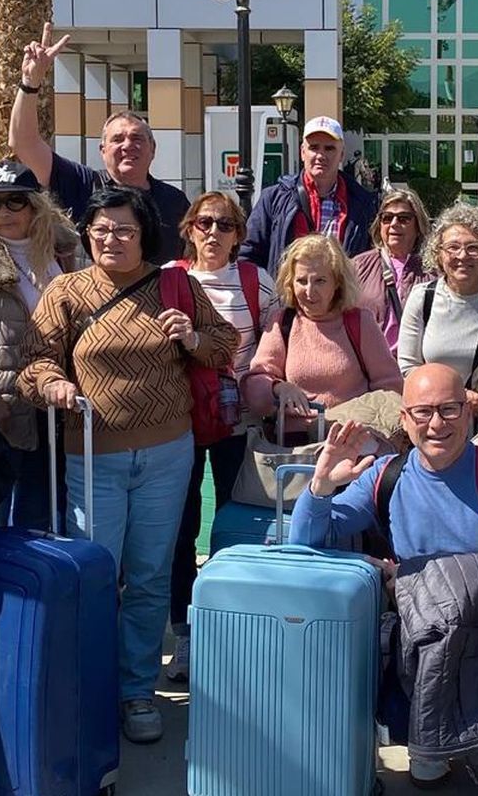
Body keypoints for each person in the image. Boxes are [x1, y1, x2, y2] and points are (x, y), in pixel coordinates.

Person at [19, 187, 237, 744]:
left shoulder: (176, 285)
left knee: (149, 575)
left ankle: (137, 690)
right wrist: (54, 383)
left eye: (123, 230)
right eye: (100, 229)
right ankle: (91, 686)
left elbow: (225, 343)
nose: (111, 239)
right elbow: (33, 363)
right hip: (94, 456)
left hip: (168, 453)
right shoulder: (66, 291)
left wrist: (192, 336)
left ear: (144, 235)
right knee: (95, 574)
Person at [291, 363, 478, 794]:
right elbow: (306, 541)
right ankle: (428, 738)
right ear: (404, 419)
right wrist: (320, 486)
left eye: (449, 409)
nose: (436, 424)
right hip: (422, 637)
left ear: (468, 412)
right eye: (423, 412)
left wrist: (417, 581)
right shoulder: (385, 476)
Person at [164, 189, 280, 682]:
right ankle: (186, 630)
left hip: (239, 424)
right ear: (190, 228)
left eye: (225, 225)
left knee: (236, 524)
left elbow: (278, 342)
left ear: (238, 236)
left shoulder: (257, 281)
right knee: (181, 526)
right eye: (205, 223)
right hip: (181, 421)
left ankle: (231, 624)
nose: (214, 232)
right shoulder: (170, 279)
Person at [0, 160, 84, 531]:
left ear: (35, 204)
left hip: (62, 402)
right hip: (4, 411)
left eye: (15, 201)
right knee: (7, 520)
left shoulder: (67, 252)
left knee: (56, 510)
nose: (3, 212)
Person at [10, 23, 192, 262]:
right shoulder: (81, 184)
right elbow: (24, 144)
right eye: (117, 139)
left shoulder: (174, 201)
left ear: (153, 149)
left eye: (137, 138)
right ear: (102, 150)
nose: (127, 145)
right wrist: (30, 83)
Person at [242, 234, 403, 436]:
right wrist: (277, 387)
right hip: (296, 445)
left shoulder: (360, 322)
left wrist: (358, 420)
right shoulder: (282, 322)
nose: (309, 291)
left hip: (351, 440)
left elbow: (390, 388)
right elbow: (254, 386)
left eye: (320, 281)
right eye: (301, 281)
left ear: (337, 282)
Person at [240, 114, 380, 275]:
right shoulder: (273, 199)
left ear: (341, 154)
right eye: (314, 147)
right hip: (286, 291)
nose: (320, 156)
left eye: (329, 148)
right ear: (302, 152)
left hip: (344, 291)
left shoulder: (363, 203)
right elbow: (248, 254)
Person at [397, 202, 478, 392]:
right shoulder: (422, 298)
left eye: (473, 248)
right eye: (453, 247)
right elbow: (408, 366)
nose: (462, 256)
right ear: (438, 254)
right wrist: (455, 396)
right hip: (435, 405)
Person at [352, 186, 430, 350]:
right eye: (387, 218)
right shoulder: (358, 266)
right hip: (367, 360)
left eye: (403, 218)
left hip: (414, 361)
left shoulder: (432, 270)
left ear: (418, 226)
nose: (394, 224)